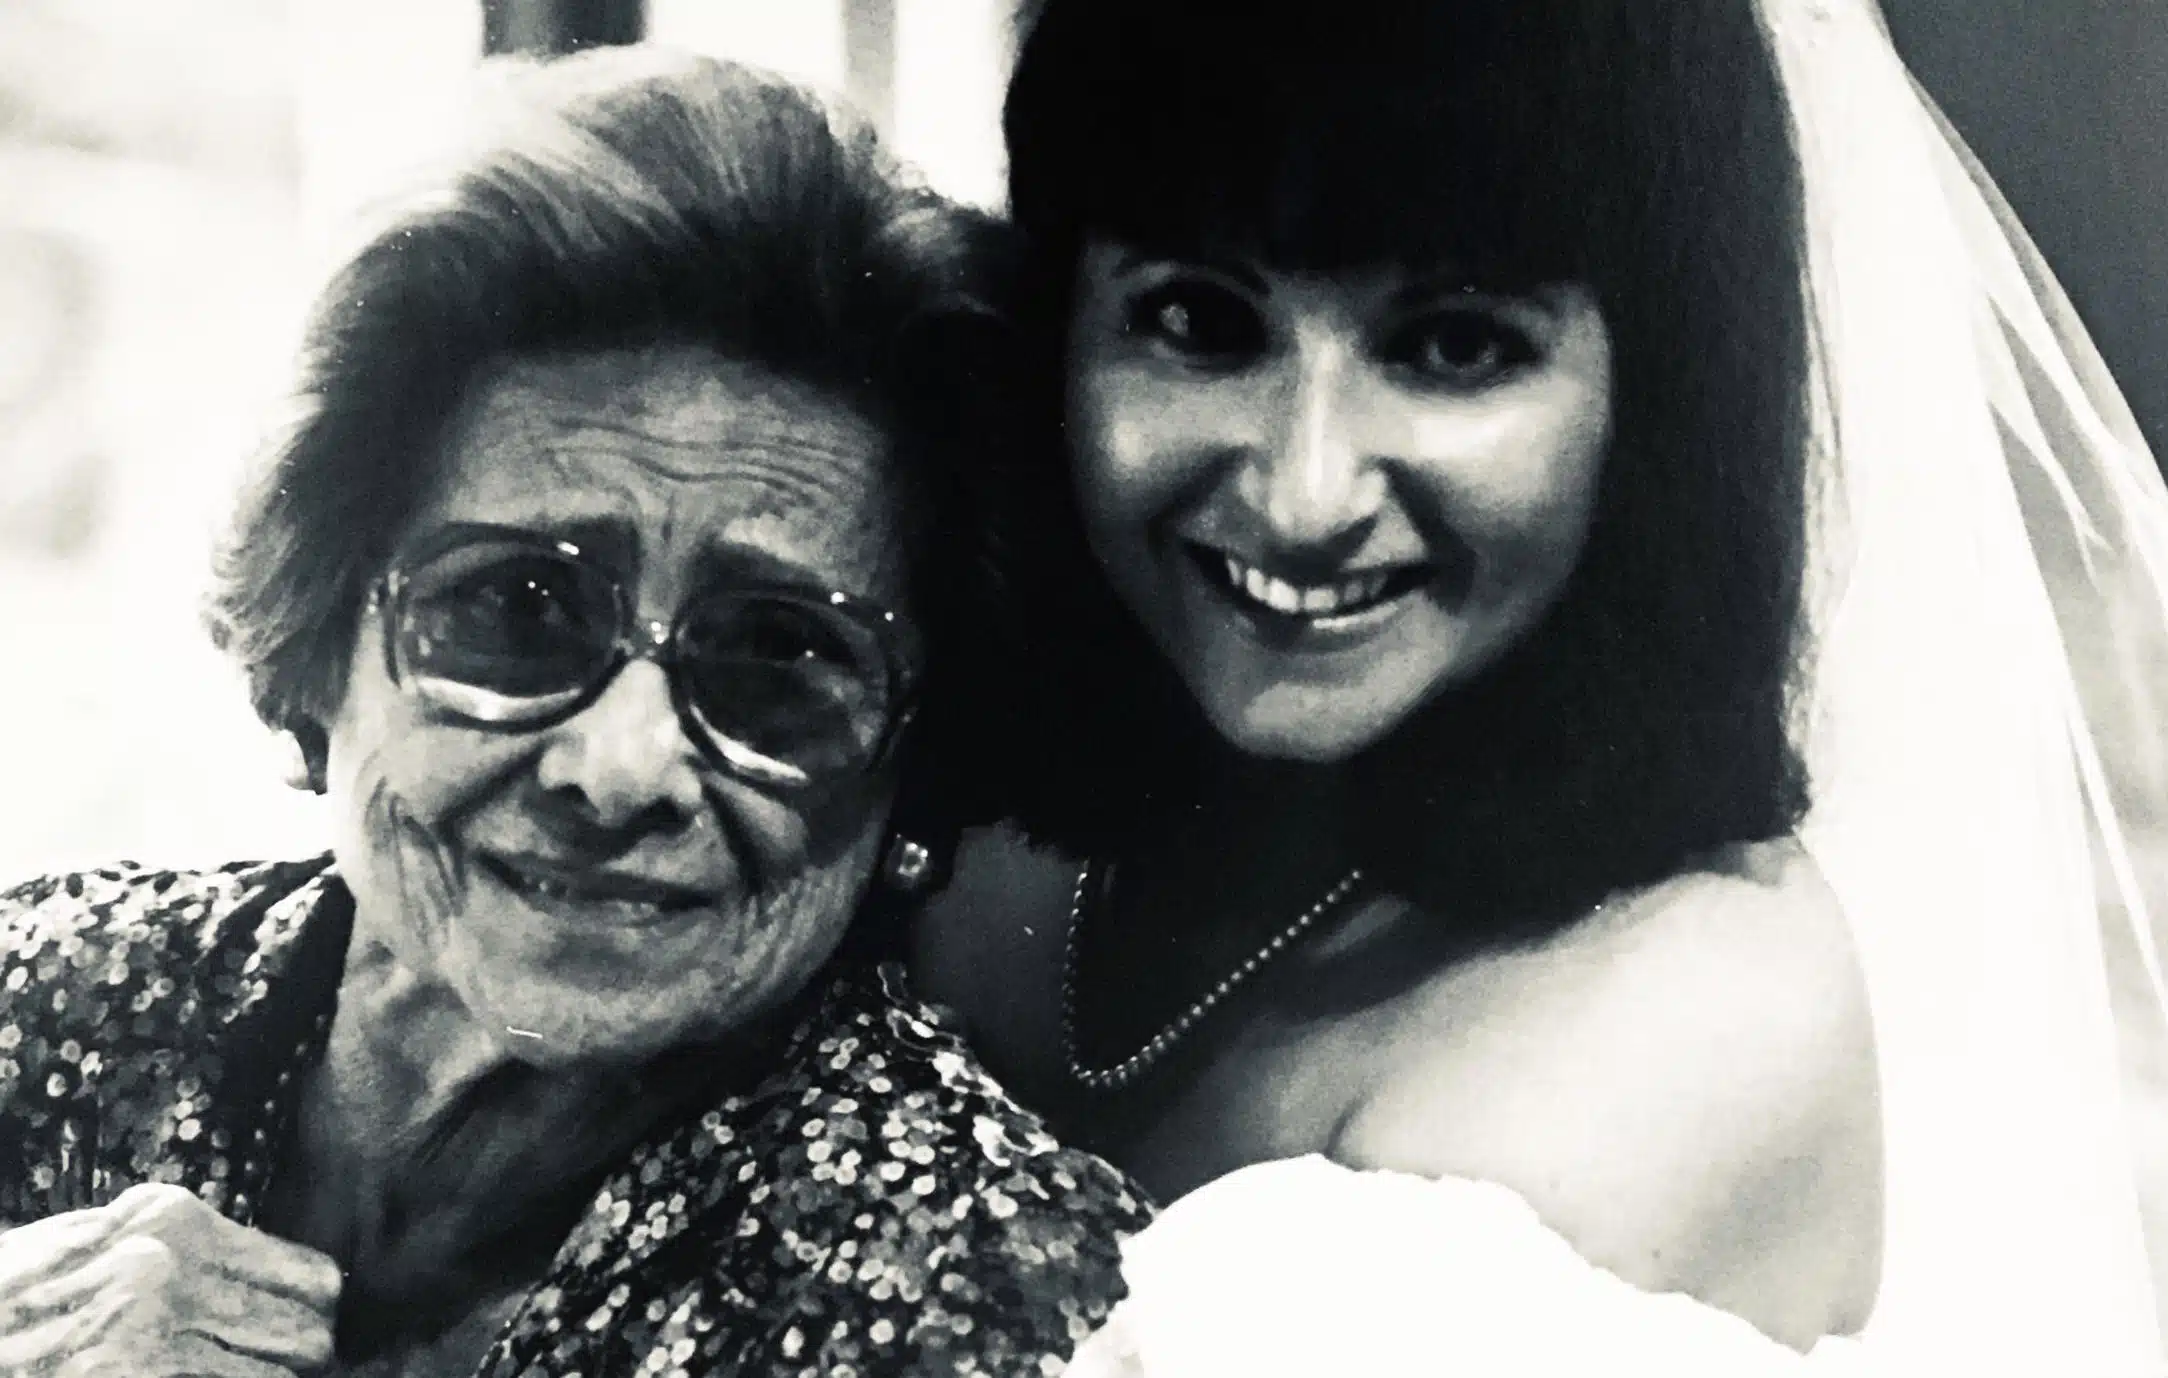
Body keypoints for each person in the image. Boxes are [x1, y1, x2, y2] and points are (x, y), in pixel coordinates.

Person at [912, 0, 2168, 1371]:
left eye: (1453, 346)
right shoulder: (986, 828)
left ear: (1656, 400)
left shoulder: (1686, 1024)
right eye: (1199, 320)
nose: (1303, 488)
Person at [0, 50, 1150, 1378]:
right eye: (517, 608)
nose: (619, 765)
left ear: (915, 773)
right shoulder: (50, 999)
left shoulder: (990, 1298)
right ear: (322, 641)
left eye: (778, 657)